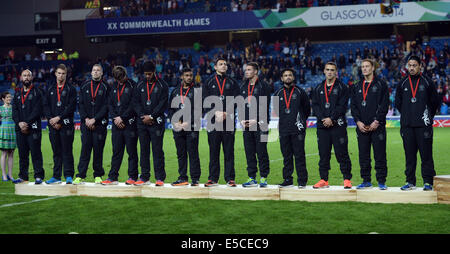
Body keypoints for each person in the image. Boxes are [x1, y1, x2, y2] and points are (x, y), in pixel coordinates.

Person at [395, 55, 440, 191]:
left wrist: (426, 116)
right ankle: (410, 181)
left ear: (420, 66)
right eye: (410, 65)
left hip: (423, 126)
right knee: (409, 156)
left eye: (414, 65)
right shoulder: (402, 83)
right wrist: (407, 115)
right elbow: (398, 103)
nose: (412, 68)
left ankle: (428, 182)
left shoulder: (427, 82)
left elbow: (434, 102)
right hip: (407, 126)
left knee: (426, 155)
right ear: (407, 66)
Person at [311, 62, 352, 189]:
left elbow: (342, 106)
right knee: (323, 154)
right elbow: (315, 106)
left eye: (332, 70)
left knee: (342, 153)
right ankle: (324, 179)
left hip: (338, 125)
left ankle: (347, 179)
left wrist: (332, 118)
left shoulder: (343, 87)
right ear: (324, 71)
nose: (329, 72)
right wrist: (324, 118)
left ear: (336, 72)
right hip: (323, 126)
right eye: (327, 70)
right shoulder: (318, 88)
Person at [350, 59, 389, 190]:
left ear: (373, 68)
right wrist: (358, 121)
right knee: (363, 155)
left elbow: (384, 105)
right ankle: (366, 180)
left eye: (367, 66)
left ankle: (381, 181)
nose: (364, 69)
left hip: (377, 126)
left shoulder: (381, 84)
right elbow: (353, 106)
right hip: (362, 127)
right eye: (363, 67)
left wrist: (377, 121)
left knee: (380, 155)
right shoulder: (356, 86)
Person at [203, 57, 240, 187]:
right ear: (215, 67)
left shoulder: (233, 82)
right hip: (213, 122)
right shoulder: (208, 82)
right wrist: (216, 112)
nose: (224, 66)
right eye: (221, 64)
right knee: (214, 151)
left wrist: (226, 113)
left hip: (228, 121)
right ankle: (213, 179)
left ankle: (230, 178)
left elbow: (237, 100)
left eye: (225, 64)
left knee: (229, 151)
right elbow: (204, 101)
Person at [101, 66, 139, 185]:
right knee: (116, 152)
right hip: (116, 124)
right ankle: (113, 177)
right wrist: (115, 118)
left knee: (131, 152)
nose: (120, 81)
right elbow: (110, 104)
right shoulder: (113, 87)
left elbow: (134, 104)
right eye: (118, 79)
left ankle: (132, 176)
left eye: (122, 78)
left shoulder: (133, 85)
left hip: (130, 124)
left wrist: (122, 117)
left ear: (125, 74)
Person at [132, 61, 168, 186]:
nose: (147, 76)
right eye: (145, 74)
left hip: (156, 122)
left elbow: (163, 103)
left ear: (154, 72)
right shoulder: (139, 85)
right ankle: (144, 177)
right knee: (144, 150)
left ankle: (160, 178)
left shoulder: (163, 85)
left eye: (149, 74)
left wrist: (152, 116)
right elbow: (135, 102)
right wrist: (143, 116)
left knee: (157, 150)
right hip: (142, 123)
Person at [273, 68, 311, 188]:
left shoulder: (300, 92)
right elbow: (276, 110)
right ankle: (288, 180)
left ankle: (302, 181)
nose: (288, 77)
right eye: (285, 75)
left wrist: (300, 122)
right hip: (284, 129)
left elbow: (307, 109)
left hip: (297, 129)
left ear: (293, 77)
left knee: (299, 155)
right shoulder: (277, 93)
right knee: (286, 156)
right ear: (281, 78)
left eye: (290, 75)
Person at [73, 64, 109, 185]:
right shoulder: (84, 85)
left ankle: (98, 175)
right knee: (85, 150)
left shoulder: (106, 87)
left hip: (99, 124)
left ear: (102, 73)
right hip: (86, 123)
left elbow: (106, 106)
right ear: (91, 72)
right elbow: (81, 104)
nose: (96, 72)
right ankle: (80, 175)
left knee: (98, 151)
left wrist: (95, 119)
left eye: (98, 70)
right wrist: (86, 119)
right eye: (94, 70)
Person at [239, 62, 272, 188]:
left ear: (256, 71)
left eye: (249, 70)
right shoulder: (243, 86)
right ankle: (252, 177)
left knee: (262, 151)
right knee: (249, 152)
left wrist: (256, 120)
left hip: (261, 125)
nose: (246, 72)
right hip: (247, 126)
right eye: (245, 70)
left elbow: (265, 106)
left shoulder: (264, 86)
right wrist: (241, 120)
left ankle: (263, 177)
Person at [43, 64, 77, 185]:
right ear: (55, 74)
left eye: (63, 73)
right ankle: (56, 176)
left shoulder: (71, 89)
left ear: (66, 75)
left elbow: (71, 107)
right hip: (53, 125)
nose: (61, 75)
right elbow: (46, 106)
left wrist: (59, 118)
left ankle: (68, 175)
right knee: (56, 152)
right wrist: (51, 120)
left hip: (66, 125)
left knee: (67, 151)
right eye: (59, 73)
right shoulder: (50, 89)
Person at [168, 68, 202, 187]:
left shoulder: (197, 91)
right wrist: (175, 122)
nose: (189, 77)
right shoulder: (175, 91)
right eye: (186, 75)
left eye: (190, 75)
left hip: (191, 127)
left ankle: (195, 178)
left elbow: (199, 110)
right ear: (182, 76)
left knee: (193, 153)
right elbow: (171, 109)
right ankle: (182, 177)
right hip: (178, 128)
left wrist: (187, 122)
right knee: (181, 153)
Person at [12, 69, 45, 184]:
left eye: (28, 76)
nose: (26, 78)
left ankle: (39, 176)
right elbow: (14, 111)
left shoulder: (38, 92)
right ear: (21, 78)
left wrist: (26, 123)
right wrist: (19, 123)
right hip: (20, 129)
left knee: (36, 153)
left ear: (32, 78)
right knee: (22, 154)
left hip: (33, 128)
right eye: (24, 75)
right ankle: (23, 176)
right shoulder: (17, 94)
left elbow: (38, 110)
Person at [0, 92, 16, 181]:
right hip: (4, 130)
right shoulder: (0, 109)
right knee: (4, 153)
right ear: (3, 99)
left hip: (12, 130)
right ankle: (4, 175)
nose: (9, 98)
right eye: (7, 97)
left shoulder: (14, 108)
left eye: (10, 97)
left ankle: (10, 175)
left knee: (11, 153)